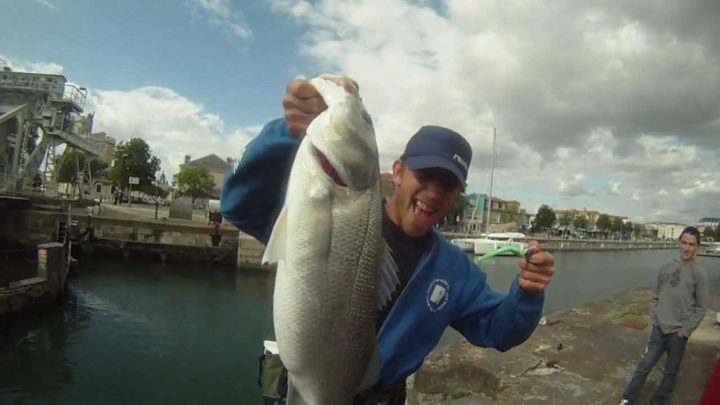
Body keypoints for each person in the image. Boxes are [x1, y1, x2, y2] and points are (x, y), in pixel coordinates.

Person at [221, 78, 555, 403]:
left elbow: (500, 330)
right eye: (424, 176)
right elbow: (239, 204)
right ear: (397, 171)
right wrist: (290, 131)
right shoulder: (327, 209)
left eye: (448, 185)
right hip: (303, 388)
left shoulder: (455, 270)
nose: (433, 193)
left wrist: (527, 293)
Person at [620, 226, 710, 405]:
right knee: (645, 365)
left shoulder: (700, 273)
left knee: (670, 371)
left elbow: (701, 307)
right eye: (684, 242)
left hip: (678, 333)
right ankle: (628, 399)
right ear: (679, 243)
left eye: (691, 244)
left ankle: (658, 401)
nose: (686, 248)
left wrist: (685, 331)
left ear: (697, 247)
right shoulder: (666, 266)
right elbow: (655, 294)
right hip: (659, 328)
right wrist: (655, 318)